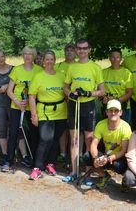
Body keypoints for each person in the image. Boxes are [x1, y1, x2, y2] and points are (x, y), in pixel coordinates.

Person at [63, 39, 105, 182]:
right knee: (74, 139)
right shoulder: (72, 67)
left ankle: (87, 173)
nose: (81, 51)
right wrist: (70, 94)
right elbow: (65, 87)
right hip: (74, 104)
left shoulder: (96, 68)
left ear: (89, 50)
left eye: (84, 48)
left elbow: (102, 91)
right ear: (76, 50)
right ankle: (74, 171)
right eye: (79, 48)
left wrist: (88, 93)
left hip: (88, 105)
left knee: (88, 139)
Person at [28, 50, 67, 180]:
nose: (49, 62)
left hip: (61, 112)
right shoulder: (38, 76)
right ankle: (37, 167)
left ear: (55, 61)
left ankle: (50, 164)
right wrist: (34, 114)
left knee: (55, 140)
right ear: (43, 62)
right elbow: (32, 96)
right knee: (45, 139)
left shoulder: (61, 76)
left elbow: (66, 93)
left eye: (52, 59)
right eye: (47, 59)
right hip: (44, 111)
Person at [3, 46, 42, 172]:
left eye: (30, 54)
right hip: (16, 106)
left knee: (33, 134)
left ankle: (35, 161)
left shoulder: (39, 70)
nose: (27, 56)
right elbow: (9, 90)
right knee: (13, 133)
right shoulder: (17, 70)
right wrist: (18, 102)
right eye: (25, 53)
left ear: (34, 56)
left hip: (33, 107)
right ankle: (8, 161)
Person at [89, 99, 131, 189]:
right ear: (106, 112)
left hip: (119, 157)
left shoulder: (125, 127)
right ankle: (104, 175)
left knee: (118, 165)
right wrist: (96, 158)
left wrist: (109, 158)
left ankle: (125, 180)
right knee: (87, 156)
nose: (113, 113)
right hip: (106, 155)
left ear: (121, 112)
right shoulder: (101, 124)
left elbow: (124, 150)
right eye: (110, 110)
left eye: (116, 111)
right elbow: (93, 144)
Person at [54, 43, 76, 164]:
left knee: (75, 128)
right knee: (63, 128)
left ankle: (75, 153)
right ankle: (62, 153)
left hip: (76, 101)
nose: (69, 52)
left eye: (72, 50)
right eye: (67, 50)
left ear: (76, 52)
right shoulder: (59, 66)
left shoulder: (79, 66)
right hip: (61, 101)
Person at [102, 48, 133, 124]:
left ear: (121, 59)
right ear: (109, 58)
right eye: (112, 57)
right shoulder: (103, 72)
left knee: (123, 133)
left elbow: (129, 93)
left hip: (122, 106)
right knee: (107, 132)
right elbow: (100, 90)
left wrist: (116, 100)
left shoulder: (127, 73)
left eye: (117, 57)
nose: (115, 59)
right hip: (107, 106)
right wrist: (103, 98)